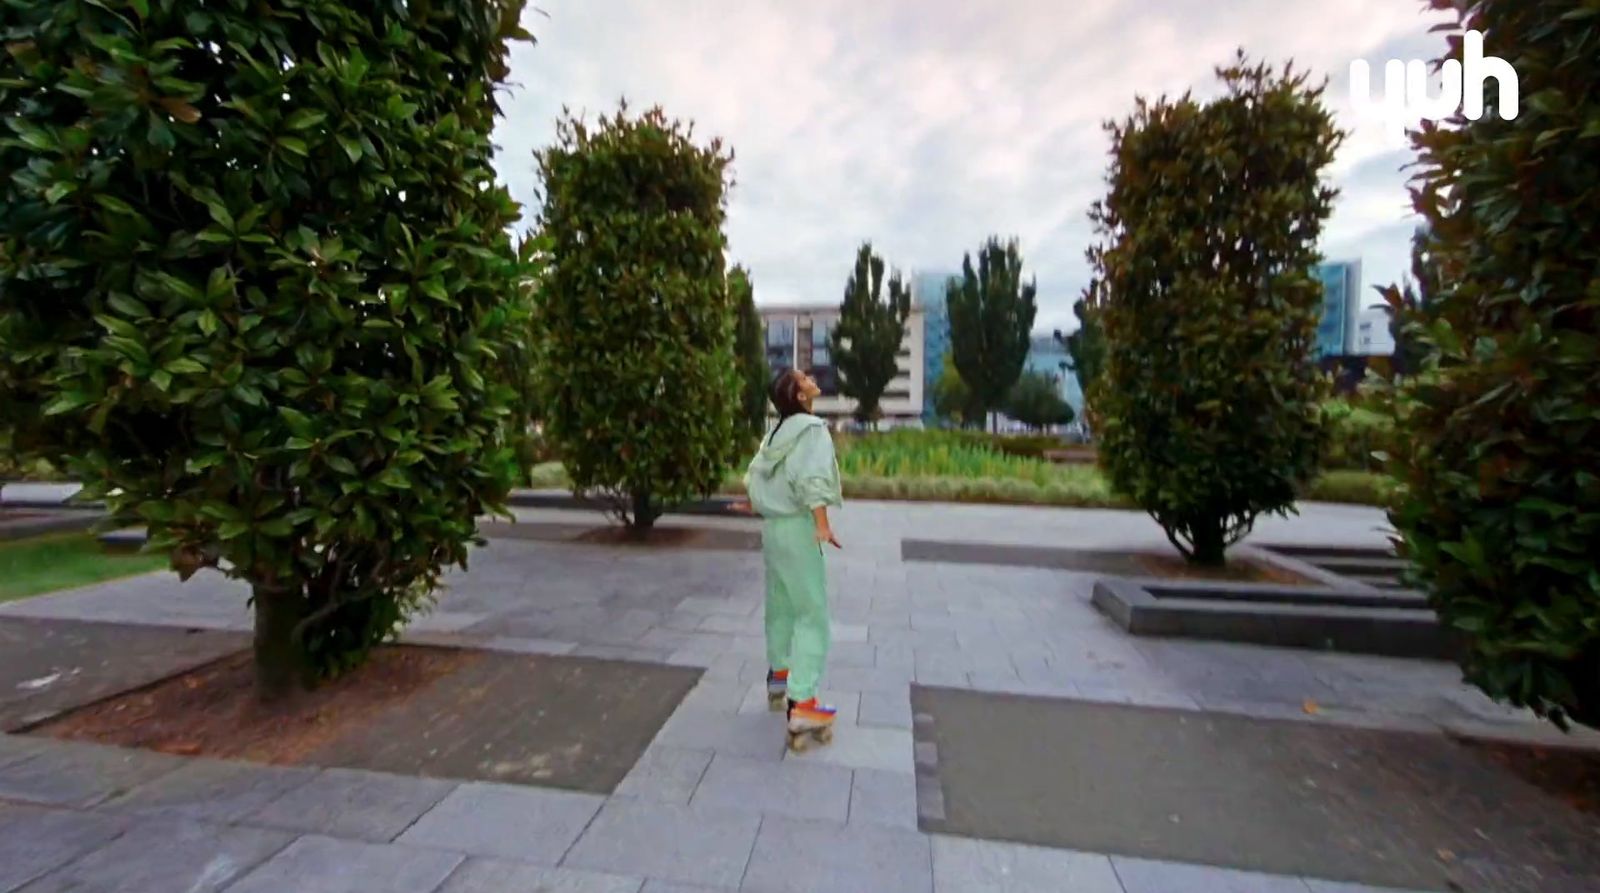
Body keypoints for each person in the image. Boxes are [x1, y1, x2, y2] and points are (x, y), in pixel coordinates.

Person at [734, 368, 843, 751]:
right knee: (812, 614)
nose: (812, 378)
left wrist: (758, 502)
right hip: (797, 528)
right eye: (804, 378)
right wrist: (822, 524)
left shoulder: (775, 433)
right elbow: (811, 478)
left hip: (773, 530)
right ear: (799, 396)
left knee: (780, 605)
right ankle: (804, 703)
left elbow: (756, 477)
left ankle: (779, 676)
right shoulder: (811, 430)